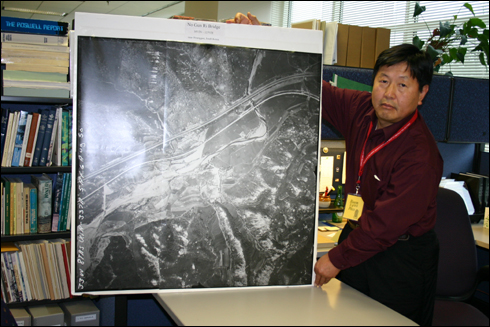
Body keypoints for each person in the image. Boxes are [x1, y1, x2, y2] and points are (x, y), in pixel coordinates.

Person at [231, 12, 443, 326]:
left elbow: (385, 226)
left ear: (422, 93)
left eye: (402, 85)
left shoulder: (420, 155)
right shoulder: (361, 110)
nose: (388, 93)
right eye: (383, 81)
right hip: (358, 237)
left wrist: (335, 259)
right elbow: (308, 84)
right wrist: (263, 35)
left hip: (401, 258)